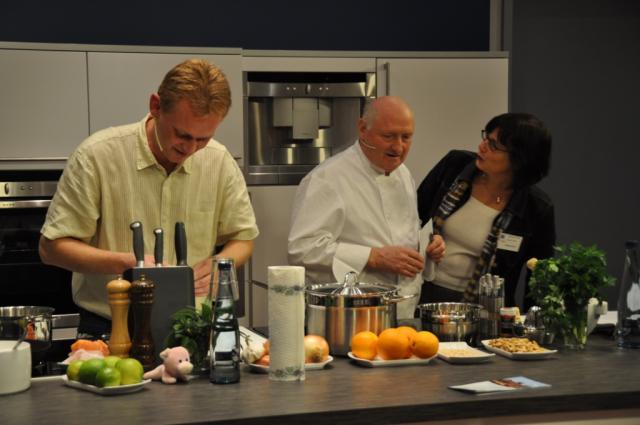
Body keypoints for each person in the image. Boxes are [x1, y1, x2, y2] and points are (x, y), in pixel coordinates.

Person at [39, 59, 259, 337]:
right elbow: (51, 248)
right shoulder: (96, 156)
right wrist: (128, 264)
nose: (191, 149)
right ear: (156, 106)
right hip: (110, 327)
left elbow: (243, 238)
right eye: (182, 135)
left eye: (203, 139)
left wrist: (221, 265)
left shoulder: (219, 161)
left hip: (192, 327)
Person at [288, 96, 444, 319]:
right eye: (388, 136)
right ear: (362, 129)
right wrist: (373, 257)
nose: (398, 147)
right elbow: (302, 249)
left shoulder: (403, 174)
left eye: (406, 137)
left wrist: (428, 246)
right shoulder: (327, 178)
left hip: (403, 311)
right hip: (347, 315)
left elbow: (401, 232)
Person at [416, 112, 555, 308]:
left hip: (486, 307)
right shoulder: (454, 166)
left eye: (494, 145)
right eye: (486, 138)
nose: (482, 146)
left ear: (520, 159)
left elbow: (539, 275)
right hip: (423, 290)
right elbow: (412, 217)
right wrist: (427, 239)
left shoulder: (536, 207)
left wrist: (532, 319)